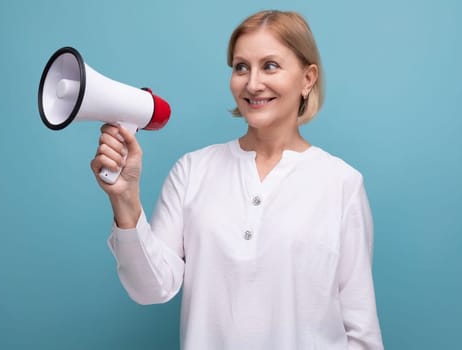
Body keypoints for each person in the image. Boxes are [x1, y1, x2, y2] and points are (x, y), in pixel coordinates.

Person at [90, 10, 384, 350]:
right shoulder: (192, 171)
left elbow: (362, 334)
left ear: (308, 78)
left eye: (270, 65)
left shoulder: (342, 184)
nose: (252, 83)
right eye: (241, 66)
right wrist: (124, 198)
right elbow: (150, 288)